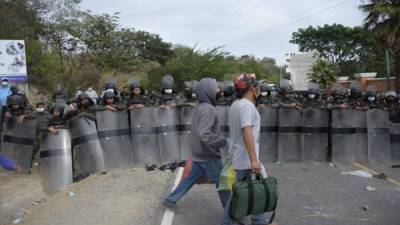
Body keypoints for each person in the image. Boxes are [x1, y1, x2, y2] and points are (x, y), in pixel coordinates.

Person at [163, 78, 230, 209]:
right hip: (208, 154)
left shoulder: (199, 106)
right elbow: (204, 134)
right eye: (216, 88)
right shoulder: (208, 109)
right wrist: (225, 141)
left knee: (190, 178)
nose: (219, 90)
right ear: (208, 91)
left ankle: (170, 200)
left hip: (198, 152)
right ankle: (230, 212)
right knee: (222, 182)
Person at [221, 73, 269, 225]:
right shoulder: (247, 106)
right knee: (257, 193)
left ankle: (227, 222)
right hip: (247, 159)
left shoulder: (236, 105)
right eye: (256, 85)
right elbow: (247, 132)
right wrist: (254, 160)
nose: (258, 88)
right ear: (250, 88)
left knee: (239, 195)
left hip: (240, 157)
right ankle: (260, 222)